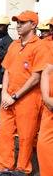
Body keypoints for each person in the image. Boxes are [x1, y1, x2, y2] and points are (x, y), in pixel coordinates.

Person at [0, 11, 48, 174]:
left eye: (22, 22)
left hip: (28, 99)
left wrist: (15, 96)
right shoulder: (14, 45)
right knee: (4, 133)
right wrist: (5, 93)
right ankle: (4, 166)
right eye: (17, 22)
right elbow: (7, 71)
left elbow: (36, 77)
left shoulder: (41, 47)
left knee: (26, 135)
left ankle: (22, 168)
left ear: (33, 25)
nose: (18, 25)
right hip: (9, 97)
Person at [37, 18, 53, 176]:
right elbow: (47, 71)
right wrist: (47, 98)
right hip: (50, 106)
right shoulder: (49, 47)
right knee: (44, 144)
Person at [0, 16, 13, 116]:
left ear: (6, 26)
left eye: (1, 25)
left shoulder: (9, 41)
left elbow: (2, 56)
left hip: (0, 72)